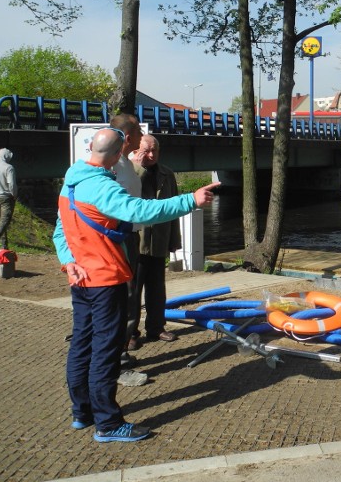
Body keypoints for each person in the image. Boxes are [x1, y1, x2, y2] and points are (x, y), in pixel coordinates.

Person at [53, 127, 218, 443]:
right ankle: (108, 424)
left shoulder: (71, 180)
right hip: (105, 280)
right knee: (105, 351)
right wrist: (191, 200)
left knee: (81, 346)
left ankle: (81, 412)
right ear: (116, 156)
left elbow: (60, 231)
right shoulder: (102, 187)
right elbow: (140, 211)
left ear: (91, 148)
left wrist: (67, 261)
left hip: (80, 279)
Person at [127, 135, 181, 348]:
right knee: (133, 290)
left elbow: (173, 209)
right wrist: (138, 168)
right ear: (136, 150)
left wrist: (174, 239)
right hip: (136, 241)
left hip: (159, 239)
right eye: (146, 151)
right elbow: (128, 197)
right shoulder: (127, 172)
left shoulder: (167, 174)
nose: (150, 155)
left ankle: (156, 327)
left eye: (154, 151)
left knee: (157, 289)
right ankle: (130, 332)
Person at [108, 114, 147, 385]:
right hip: (119, 239)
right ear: (130, 137)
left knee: (130, 298)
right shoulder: (112, 166)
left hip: (128, 237)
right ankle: (117, 364)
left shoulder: (123, 163)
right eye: (139, 133)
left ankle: (116, 355)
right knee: (124, 298)